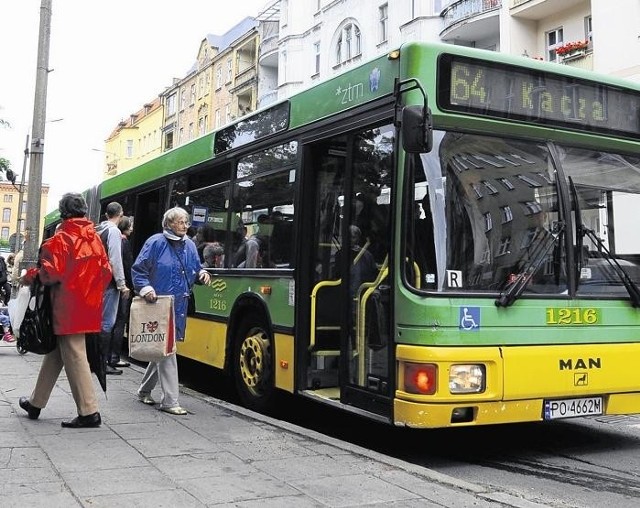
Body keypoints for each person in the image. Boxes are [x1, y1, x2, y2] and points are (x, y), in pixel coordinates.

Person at [18, 193, 112, 428]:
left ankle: (89, 412)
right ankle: (36, 402)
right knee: (58, 353)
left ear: (63, 212)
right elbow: (106, 272)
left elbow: (51, 273)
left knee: (75, 354)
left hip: (67, 306)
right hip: (89, 304)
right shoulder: (95, 238)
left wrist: (29, 276)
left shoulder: (60, 238)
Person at [132, 207, 210, 415]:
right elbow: (139, 270)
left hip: (179, 306)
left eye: (186, 222)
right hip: (158, 305)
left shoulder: (190, 245)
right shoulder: (155, 242)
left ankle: (143, 391)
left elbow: (195, 268)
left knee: (162, 349)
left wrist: (202, 274)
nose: (185, 225)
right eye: (180, 221)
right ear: (168, 224)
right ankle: (170, 400)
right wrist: (147, 289)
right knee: (168, 350)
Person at [95, 202, 131, 375]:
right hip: (109, 283)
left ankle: (94, 360)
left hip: (95, 283)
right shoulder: (114, 231)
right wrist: (122, 284)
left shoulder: (98, 229)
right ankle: (102, 364)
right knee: (107, 323)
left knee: (97, 322)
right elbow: (115, 259)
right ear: (121, 214)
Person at [107, 216, 134, 369]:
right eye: (130, 225)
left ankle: (108, 357)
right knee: (119, 322)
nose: (132, 228)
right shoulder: (124, 242)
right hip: (121, 287)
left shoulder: (117, 240)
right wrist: (129, 287)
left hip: (112, 286)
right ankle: (114, 357)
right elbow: (127, 265)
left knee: (112, 321)